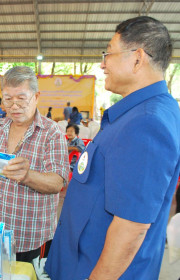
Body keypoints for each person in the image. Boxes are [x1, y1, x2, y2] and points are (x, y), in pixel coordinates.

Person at [46, 16, 180, 280]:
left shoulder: (146, 122)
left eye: (108, 53)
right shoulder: (141, 113)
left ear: (137, 58)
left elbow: (132, 225)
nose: (102, 63)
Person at [0, 66, 69, 263]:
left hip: (32, 237)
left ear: (36, 96)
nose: (14, 105)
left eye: (21, 98)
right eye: (8, 99)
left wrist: (27, 176)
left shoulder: (51, 132)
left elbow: (57, 183)